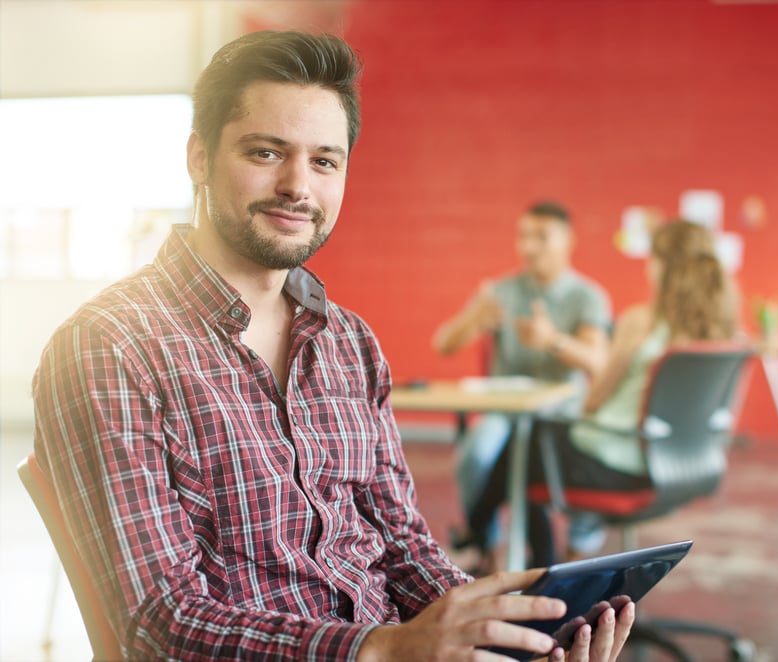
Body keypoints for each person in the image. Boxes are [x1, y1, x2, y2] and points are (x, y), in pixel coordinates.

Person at [31, 30, 634, 661]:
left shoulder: (349, 340)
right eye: (266, 153)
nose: (298, 185)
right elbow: (158, 623)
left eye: (325, 161)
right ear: (199, 158)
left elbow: (402, 546)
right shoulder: (110, 347)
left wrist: (506, 637)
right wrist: (381, 649)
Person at [467, 220, 738, 560]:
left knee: (525, 443)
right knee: (530, 455)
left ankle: (496, 542)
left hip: (620, 465)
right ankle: (535, 558)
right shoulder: (724, 334)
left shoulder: (642, 321)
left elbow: (595, 400)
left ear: (663, 266)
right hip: (688, 464)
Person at [432, 202, 611, 570]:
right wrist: (474, 320)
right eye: (524, 236)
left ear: (568, 241)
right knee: (477, 453)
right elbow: (444, 344)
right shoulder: (501, 291)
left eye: (541, 237)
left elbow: (598, 362)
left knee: (582, 459)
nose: (530, 246)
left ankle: (579, 549)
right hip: (506, 409)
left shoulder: (587, 296)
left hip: (563, 412)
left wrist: (552, 341)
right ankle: (488, 549)